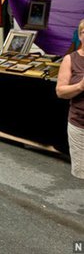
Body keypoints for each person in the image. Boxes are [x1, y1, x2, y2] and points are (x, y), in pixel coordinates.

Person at [56, 19, 84, 179]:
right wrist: (80, 86)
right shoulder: (70, 59)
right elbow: (60, 91)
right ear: (80, 36)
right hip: (80, 125)